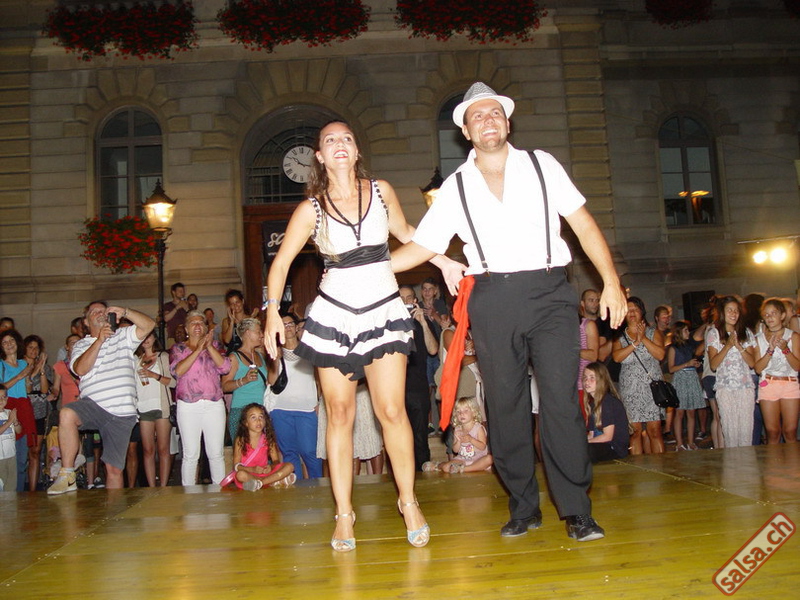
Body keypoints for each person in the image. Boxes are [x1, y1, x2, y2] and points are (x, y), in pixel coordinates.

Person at [392, 82, 626, 541]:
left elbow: (582, 223)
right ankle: (523, 507)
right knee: (505, 405)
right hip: (493, 296)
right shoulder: (455, 187)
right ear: (466, 131)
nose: (488, 121)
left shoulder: (542, 164)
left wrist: (611, 281)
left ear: (507, 121)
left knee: (560, 401)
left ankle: (576, 509)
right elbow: (422, 245)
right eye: (477, 116)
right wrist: (368, 266)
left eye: (494, 113)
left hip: (550, 291)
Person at [263, 121, 461, 551]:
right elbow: (281, 263)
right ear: (320, 156)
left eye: (347, 139)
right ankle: (344, 514)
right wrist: (272, 312)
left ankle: (408, 502)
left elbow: (408, 235)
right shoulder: (311, 209)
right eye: (330, 140)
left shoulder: (381, 191)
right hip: (334, 316)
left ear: (356, 152)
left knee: (392, 410)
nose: (340, 144)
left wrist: (445, 262)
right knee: (339, 414)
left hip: (383, 310)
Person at [48, 302, 155, 494]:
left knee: (114, 469)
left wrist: (127, 312)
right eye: (93, 312)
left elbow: (149, 325)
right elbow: (80, 369)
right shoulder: (81, 345)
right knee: (67, 414)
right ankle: (67, 474)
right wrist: (99, 341)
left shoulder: (123, 335)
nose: (99, 313)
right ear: (85, 322)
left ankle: (115, 509)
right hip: (93, 405)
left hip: (122, 411)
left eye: (103, 310)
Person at [170, 311, 231, 486]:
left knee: (216, 453)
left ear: (206, 327)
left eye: (201, 323)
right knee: (191, 454)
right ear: (186, 329)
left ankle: (218, 492)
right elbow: (178, 371)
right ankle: (189, 493)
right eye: (193, 323)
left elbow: (225, 368)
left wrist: (209, 346)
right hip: (188, 406)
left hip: (214, 404)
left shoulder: (216, 346)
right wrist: (197, 350)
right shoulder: (179, 349)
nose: (197, 326)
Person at [267, 313, 323, 479]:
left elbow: (320, 379)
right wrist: (275, 360)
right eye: (283, 325)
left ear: (297, 327)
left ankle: (317, 487)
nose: (288, 327)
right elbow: (271, 381)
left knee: (310, 452)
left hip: (307, 409)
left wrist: (321, 401)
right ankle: (295, 487)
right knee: (289, 453)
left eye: (290, 323)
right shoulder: (275, 352)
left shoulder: (309, 351)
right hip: (281, 409)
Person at [612, 297, 667, 455]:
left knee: (654, 430)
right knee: (634, 431)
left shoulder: (653, 332)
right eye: (628, 310)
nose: (632, 313)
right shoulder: (620, 336)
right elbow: (617, 357)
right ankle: (638, 466)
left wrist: (643, 338)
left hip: (652, 388)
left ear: (642, 312)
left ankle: (661, 465)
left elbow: (660, 354)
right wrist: (635, 343)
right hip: (630, 389)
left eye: (635, 309)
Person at [706, 296, 757, 448]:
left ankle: (747, 463)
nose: (734, 314)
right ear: (722, 312)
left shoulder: (746, 332)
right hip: (725, 388)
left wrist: (740, 347)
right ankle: (732, 463)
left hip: (745, 387)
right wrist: (727, 346)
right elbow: (714, 365)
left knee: (746, 432)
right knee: (730, 433)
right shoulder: (714, 333)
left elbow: (752, 363)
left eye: (736, 311)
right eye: (730, 310)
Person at [399, 285, 438, 470]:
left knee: (420, 438)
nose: (405, 302)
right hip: (396, 390)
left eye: (408, 298)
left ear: (415, 301)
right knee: (398, 439)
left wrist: (423, 322)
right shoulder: (390, 323)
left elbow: (433, 350)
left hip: (418, 388)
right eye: (401, 298)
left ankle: (423, 478)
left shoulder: (422, 322)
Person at [754, 298, 800, 445]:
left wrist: (786, 349)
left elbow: (797, 366)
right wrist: (770, 350)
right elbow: (758, 368)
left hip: (790, 384)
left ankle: (793, 460)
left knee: (790, 431)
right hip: (768, 384)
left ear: (782, 315)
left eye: (773, 313)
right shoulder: (759, 339)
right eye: (766, 314)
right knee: (772, 432)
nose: (769, 317)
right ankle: (774, 459)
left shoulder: (793, 336)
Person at [222, 403, 296, 491]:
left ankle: (261, 483)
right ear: (246, 423)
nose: (258, 421)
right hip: (249, 474)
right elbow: (236, 466)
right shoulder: (240, 440)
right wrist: (252, 469)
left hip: (265, 474)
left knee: (290, 466)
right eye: (253, 417)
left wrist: (270, 467)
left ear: (265, 421)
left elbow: (276, 461)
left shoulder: (268, 438)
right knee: (240, 475)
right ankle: (273, 481)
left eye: (261, 417)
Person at [134, 332, 175, 487]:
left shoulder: (163, 357)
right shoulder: (136, 359)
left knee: (163, 449)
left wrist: (154, 375)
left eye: (149, 336)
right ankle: (152, 487)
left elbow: (173, 382)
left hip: (161, 406)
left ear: (154, 338)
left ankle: (163, 486)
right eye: (143, 337)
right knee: (147, 450)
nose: (146, 340)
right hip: (143, 407)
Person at [221, 318, 269, 444]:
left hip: (260, 411)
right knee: (243, 451)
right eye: (258, 332)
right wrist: (244, 380)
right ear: (248, 333)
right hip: (241, 411)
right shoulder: (234, 357)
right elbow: (224, 386)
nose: (261, 335)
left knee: (261, 452)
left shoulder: (260, 356)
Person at [1, 328, 36, 491]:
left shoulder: (23, 363)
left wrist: (29, 378)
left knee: (22, 459)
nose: (9, 344)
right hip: (7, 408)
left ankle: (20, 496)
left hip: (23, 407)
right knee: (8, 456)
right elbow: (1, 388)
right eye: (4, 342)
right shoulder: (1, 365)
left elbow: (27, 389)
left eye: (11, 341)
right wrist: (20, 376)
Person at [422, 396, 492, 473]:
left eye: (466, 411)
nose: (461, 414)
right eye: (458, 412)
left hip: (478, 459)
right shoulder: (458, 429)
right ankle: (437, 465)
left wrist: (471, 439)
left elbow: (483, 446)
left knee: (489, 459)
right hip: (462, 459)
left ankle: (464, 469)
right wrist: (458, 441)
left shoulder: (478, 428)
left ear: (474, 412)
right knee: (446, 467)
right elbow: (455, 450)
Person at [668, 320, 705, 451]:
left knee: (691, 412)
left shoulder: (690, 347)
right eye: (685, 330)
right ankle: (679, 443)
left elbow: (692, 361)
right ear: (678, 332)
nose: (688, 333)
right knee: (679, 413)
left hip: (691, 377)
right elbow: (671, 368)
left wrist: (695, 364)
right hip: (680, 379)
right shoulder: (673, 348)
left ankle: (691, 441)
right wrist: (686, 364)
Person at [582, 362, 629, 462]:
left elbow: (607, 436)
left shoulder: (607, 402)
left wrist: (584, 443)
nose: (587, 381)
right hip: (601, 445)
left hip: (614, 447)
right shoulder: (593, 404)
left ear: (601, 380)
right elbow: (591, 434)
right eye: (585, 378)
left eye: (592, 378)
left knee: (585, 451)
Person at [221, 289, 258, 353]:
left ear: (242, 301)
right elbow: (227, 341)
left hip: (248, 353)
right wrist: (232, 322)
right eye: (232, 304)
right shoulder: (226, 321)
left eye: (237, 302)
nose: (235, 305)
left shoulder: (251, 318)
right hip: (233, 354)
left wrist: (251, 319)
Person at [0, 384, 22, 491]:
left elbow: (19, 431)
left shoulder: (9, 412)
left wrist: (15, 421)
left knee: (11, 486)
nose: (1, 400)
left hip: (11, 455)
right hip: (0, 458)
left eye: (3, 397)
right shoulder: (10, 417)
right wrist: (9, 421)